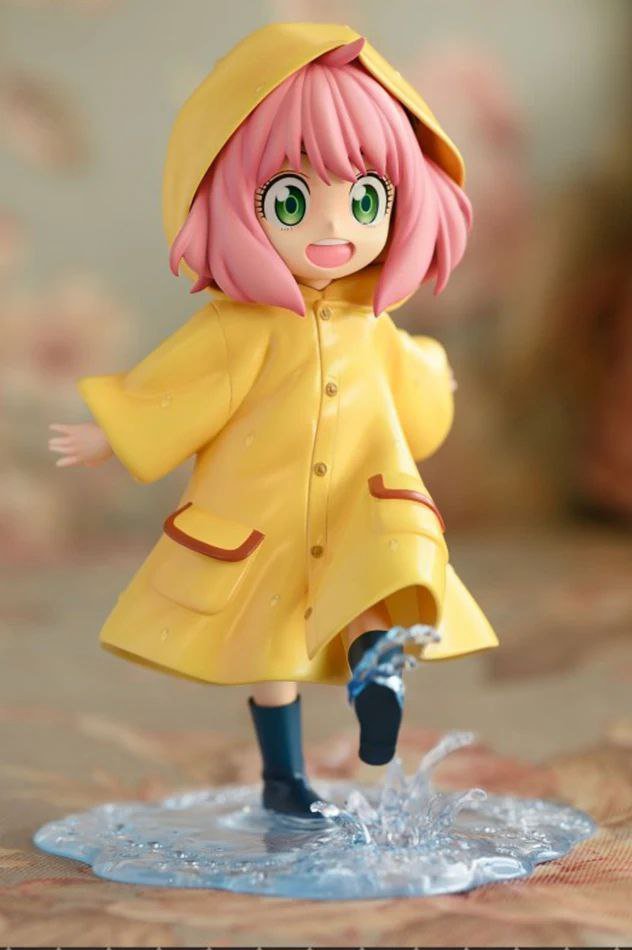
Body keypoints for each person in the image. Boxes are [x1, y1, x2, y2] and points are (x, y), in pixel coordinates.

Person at [48, 23, 497, 818]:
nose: (334, 230)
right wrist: (112, 434)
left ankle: (377, 671)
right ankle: (283, 779)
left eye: (365, 200)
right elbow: (181, 389)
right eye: (291, 201)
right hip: (264, 510)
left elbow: (416, 403)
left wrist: (438, 375)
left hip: (363, 494)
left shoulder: (374, 326)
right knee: (270, 643)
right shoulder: (240, 328)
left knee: (379, 572)